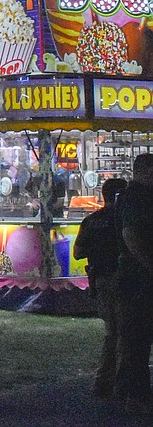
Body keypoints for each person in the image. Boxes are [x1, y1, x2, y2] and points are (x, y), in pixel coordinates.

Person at [73, 177, 126, 398]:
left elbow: (78, 252)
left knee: (113, 331)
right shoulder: (122, 219)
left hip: (100, 279)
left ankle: (106, 381)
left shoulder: (91, 220)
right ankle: (115, 382)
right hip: (122, 279)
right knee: (123, 332)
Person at [117, 154, 153, 415]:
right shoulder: (136, 197)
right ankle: (136, 395)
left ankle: (133, 392)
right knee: (138, 337)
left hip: (136, 275)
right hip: (138, 277)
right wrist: (149, 264)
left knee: (136, 338)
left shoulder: (133, 196)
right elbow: (131, 235)